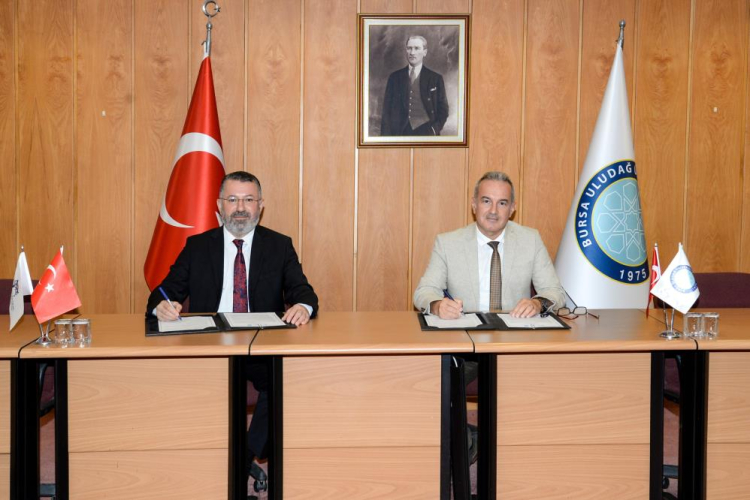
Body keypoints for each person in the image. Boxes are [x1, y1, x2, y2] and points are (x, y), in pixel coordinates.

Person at [146, 170, 318, 483]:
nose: (240, 207)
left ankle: (242, 459)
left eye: (248, 200)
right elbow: (163, 292)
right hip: (208, 346)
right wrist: (162, 305)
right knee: (176, 386)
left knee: (284, 382)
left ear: (260, 206)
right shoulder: (197, 246)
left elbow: (304, 293)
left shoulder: (279, 245)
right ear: (219, 205)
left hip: (259, 345)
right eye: (233, 199)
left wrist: (301, 307)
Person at [414, 171, 565, 318]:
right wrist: (438, 306)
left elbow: (555, 292)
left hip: (515, 330)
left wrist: (537, 304)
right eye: (486, 201)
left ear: (512, 208)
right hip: (464, 330)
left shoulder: (531, 240)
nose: (493, 211)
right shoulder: (448, 244)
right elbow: (424, 292)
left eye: (502, 203)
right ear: (474, 205)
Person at [380, 35, 449, 136]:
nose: (412, 52)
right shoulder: (394, 78)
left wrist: (434, 130)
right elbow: (386, 111)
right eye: (409, 48)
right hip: (399, 133)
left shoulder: (435, 78)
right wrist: (385, 138)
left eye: (416, 48)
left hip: (427, 132)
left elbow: (443, 110)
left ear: (425, 52)